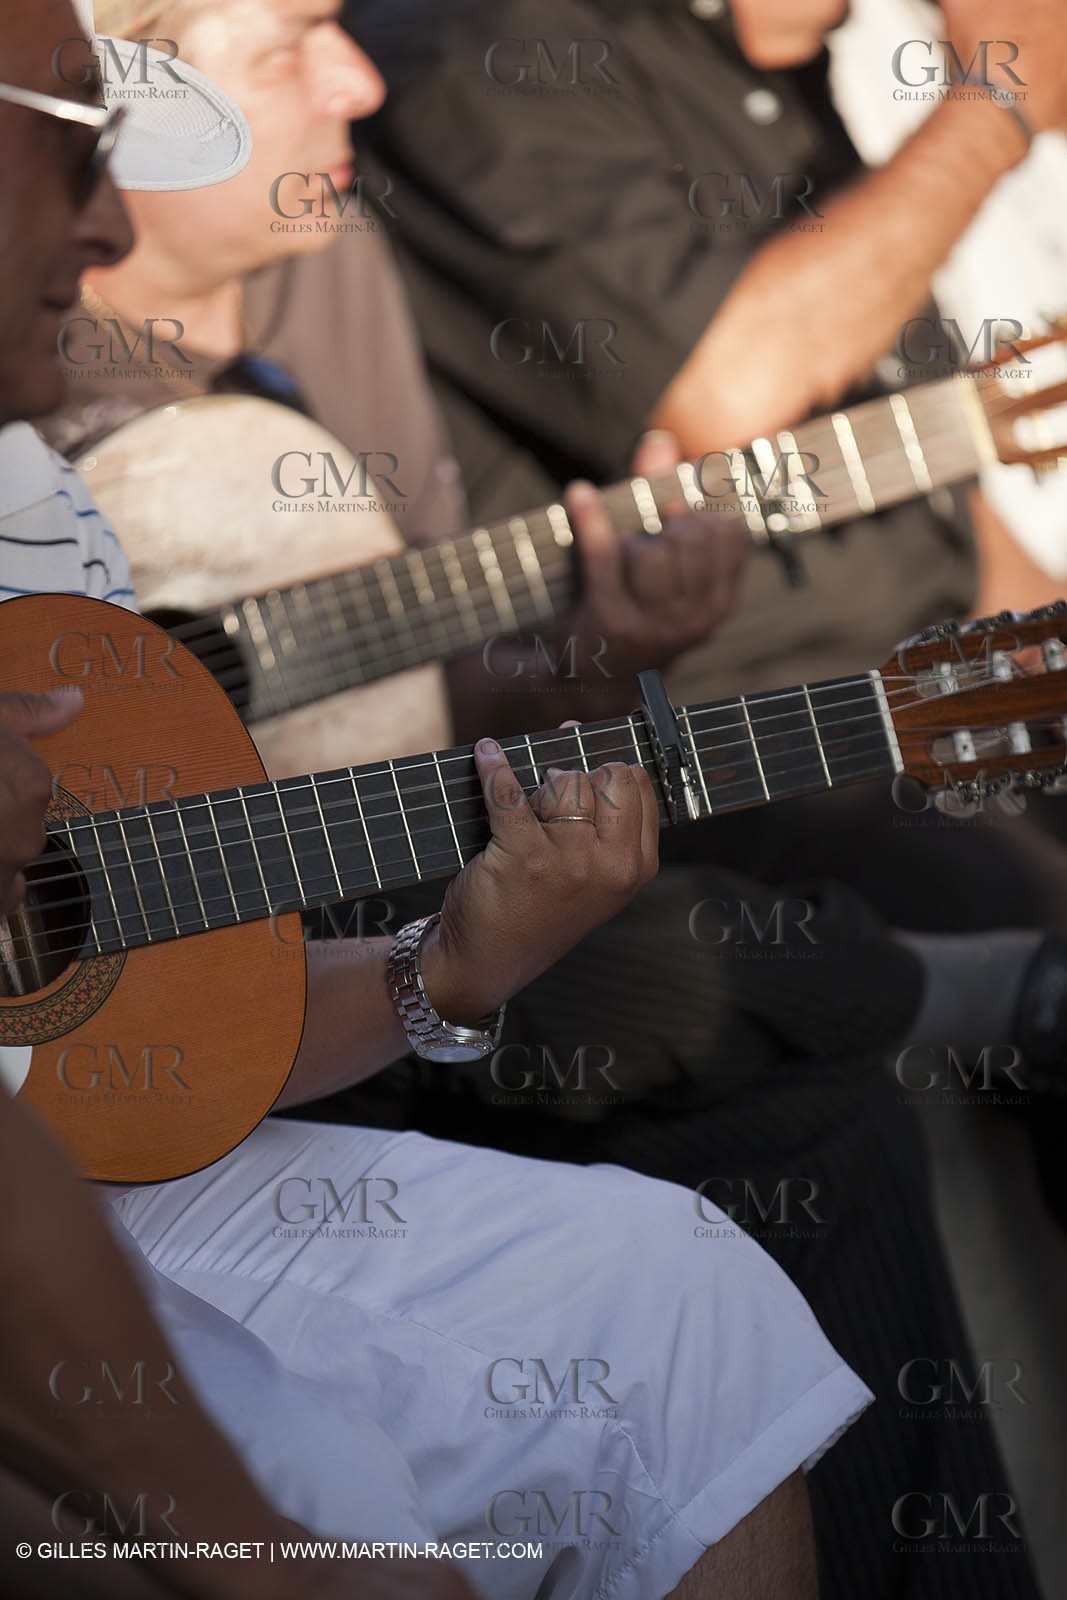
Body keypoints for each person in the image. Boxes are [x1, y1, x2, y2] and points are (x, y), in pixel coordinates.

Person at [40, 6, 1060, 1600]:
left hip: (266, 970)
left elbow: (432, 744)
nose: (356, 78)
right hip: (214, 1043)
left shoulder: (326, 284)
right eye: (286, 48)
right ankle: (972, 989)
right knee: (710, 969)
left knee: (798, 1142)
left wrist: (591, 678)